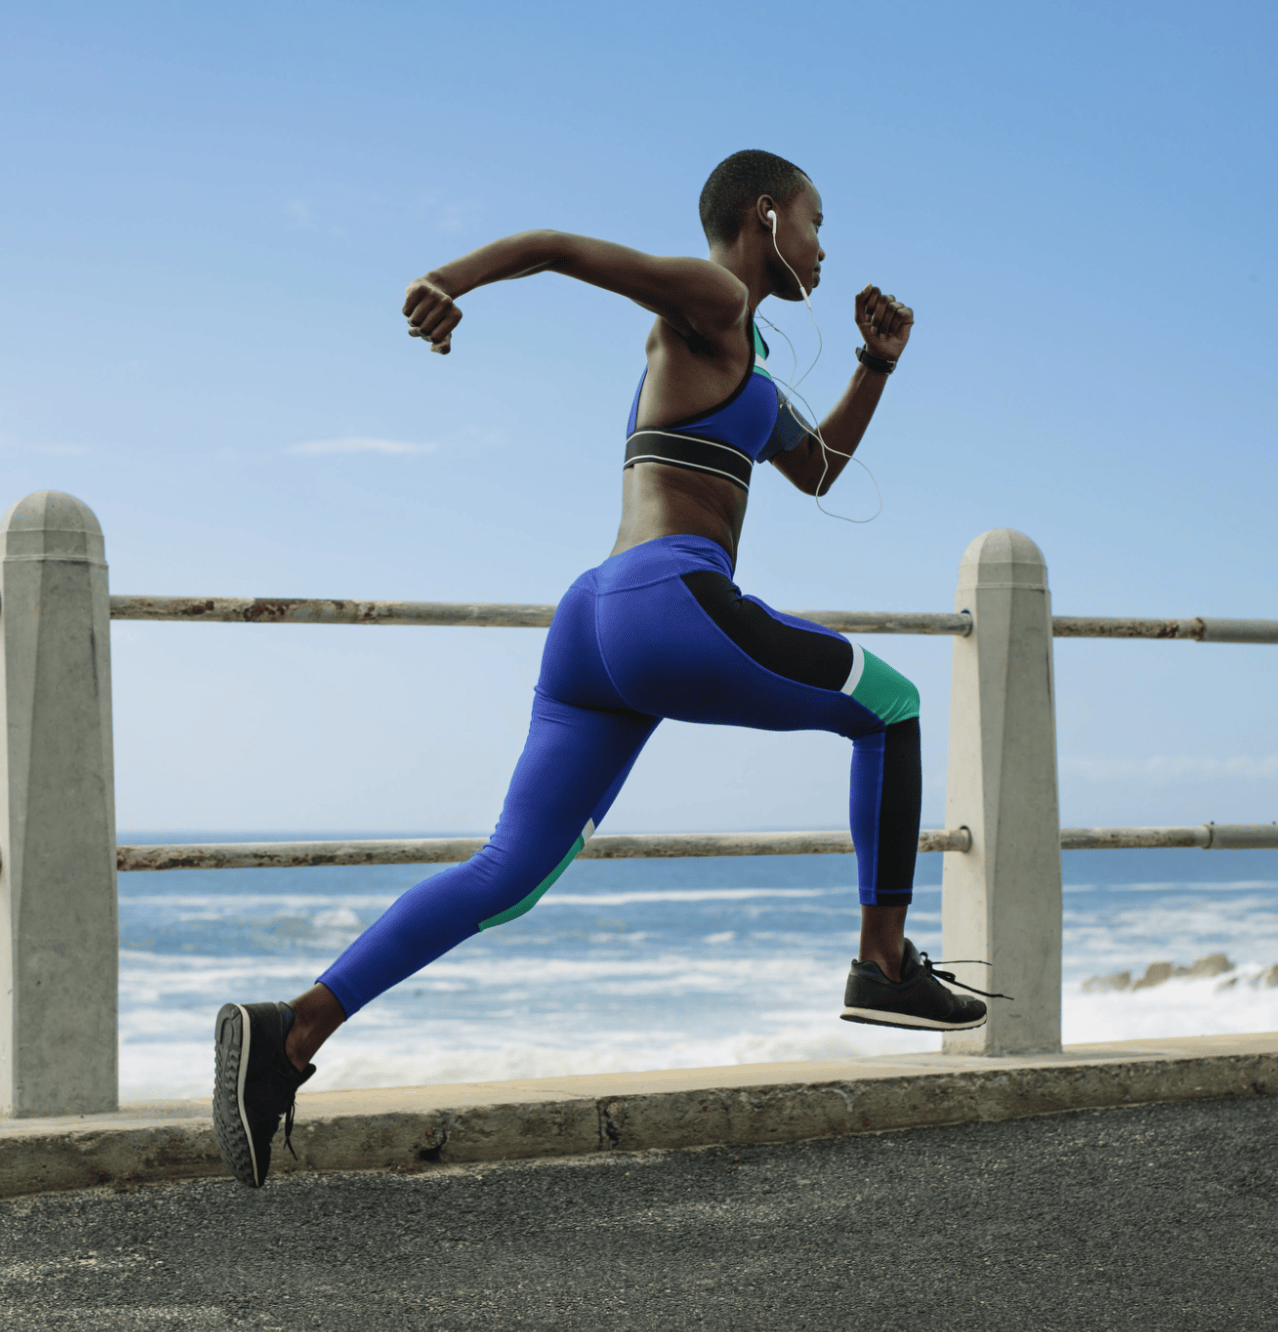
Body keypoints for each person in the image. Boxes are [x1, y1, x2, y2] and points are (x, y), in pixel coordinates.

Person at [213, 150, 988, 1189]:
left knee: (506, 875)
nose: (822, 245)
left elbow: (819, 470)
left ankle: (292, 1031)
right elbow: (559, 249)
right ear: (764, 217)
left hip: (596, 623)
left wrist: (876, 364)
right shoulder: (713, 297)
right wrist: (451, 279)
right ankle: (884, 961)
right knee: (888, 707)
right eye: (813, 221)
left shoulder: (742, 359)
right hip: (667, 603)